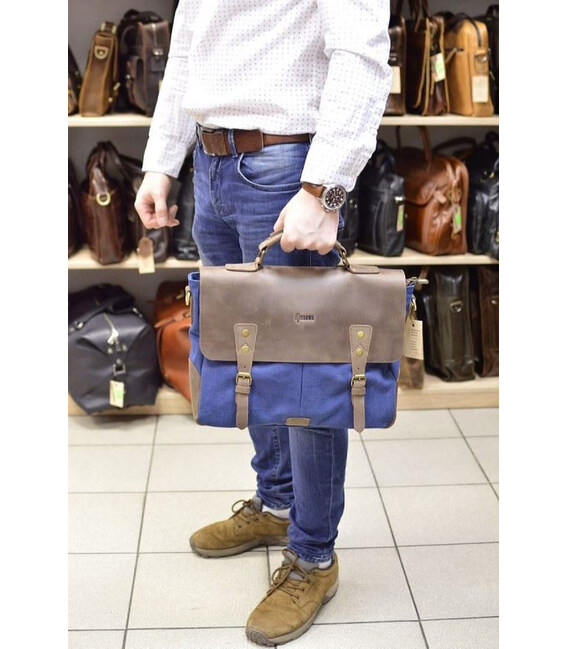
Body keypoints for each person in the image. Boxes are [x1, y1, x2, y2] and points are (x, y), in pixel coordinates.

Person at [135, 0, 392, 645]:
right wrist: (162, 161)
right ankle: (276, 503)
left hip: (286, 171)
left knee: (305, 376)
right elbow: (188, 48)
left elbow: (360, 53)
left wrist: (324, 188)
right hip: (212, 168)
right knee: (245, 358)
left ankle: (313, 556)